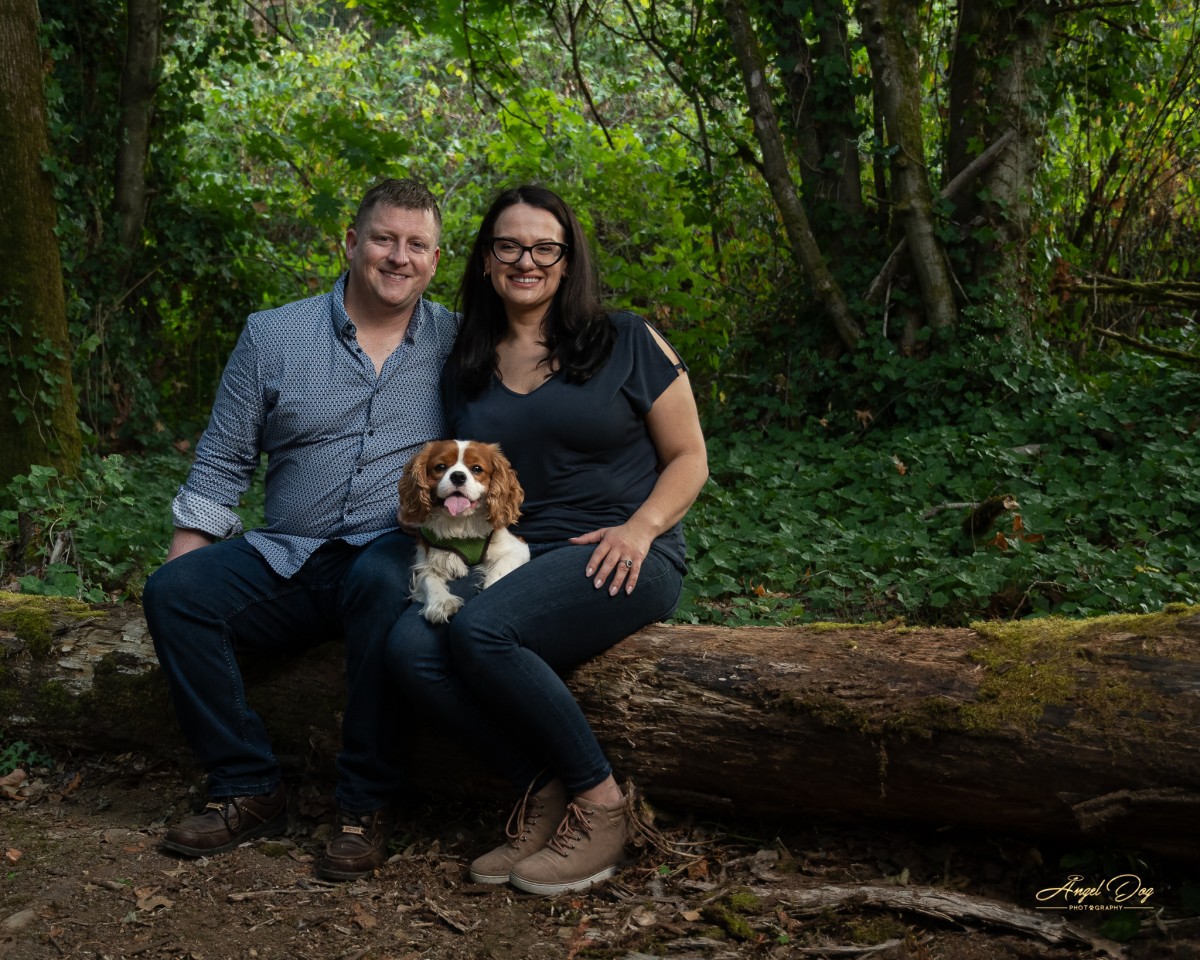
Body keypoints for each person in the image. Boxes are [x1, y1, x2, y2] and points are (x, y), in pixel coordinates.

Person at [386, 184, 709, 895]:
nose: (525, 261)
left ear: (567, 260)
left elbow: (690, 457)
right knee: (409, 648)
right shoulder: (467, 364)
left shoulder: (626, 339)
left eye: (543, 248)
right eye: (508, 246)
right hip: (514, 555)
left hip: (623, 551)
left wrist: (641, 529)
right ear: (486, 259)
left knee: (483, 633)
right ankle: (542, 789)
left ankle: (602, 804)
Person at [142, 178, 457, 881]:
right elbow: (223, 460)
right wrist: (185, 562)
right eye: (383, 238)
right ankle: (248, 786)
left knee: (383, 578)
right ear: (350, 243)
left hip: (389, 547)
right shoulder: (273, 335)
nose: (398, 257)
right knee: (174, 594)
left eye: (417, 245)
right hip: (288, 551)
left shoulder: (459, 343)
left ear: (435, 261)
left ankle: (363, 805)